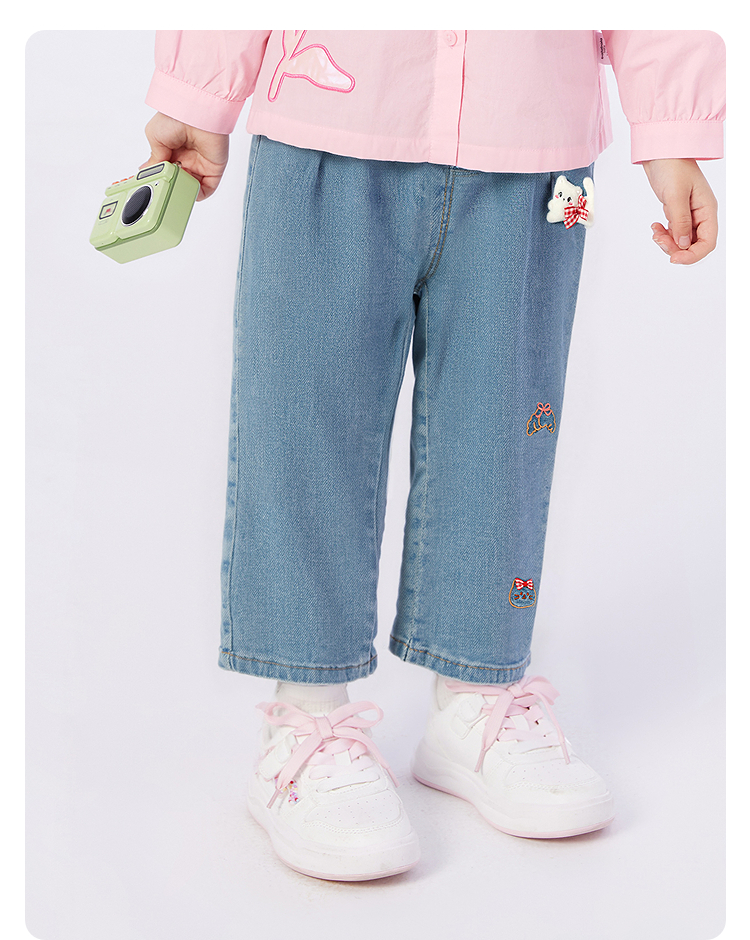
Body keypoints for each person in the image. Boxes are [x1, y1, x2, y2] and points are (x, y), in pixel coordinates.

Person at [141, 30, 724, 882]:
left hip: (534, 137)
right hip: (330, 116)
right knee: (303, 420)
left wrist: (672, 125)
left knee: (504, 424)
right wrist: (198, 89)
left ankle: (476, 696)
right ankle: (306, 716)